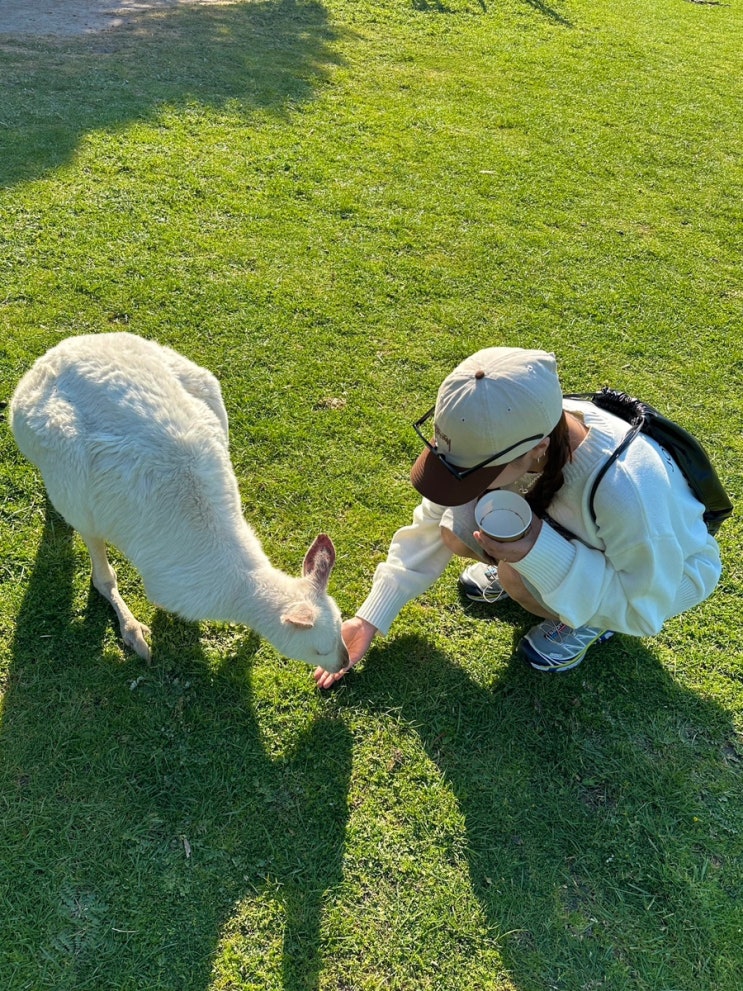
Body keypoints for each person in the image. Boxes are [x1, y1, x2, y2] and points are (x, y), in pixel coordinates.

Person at [315, 347, 722, 686]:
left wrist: (533, 553)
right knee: (456, 526)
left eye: (477, 473)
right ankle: (537, 577)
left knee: (515, 574)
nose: (464, 483)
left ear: (538, 449)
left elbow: (644, 608)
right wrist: (369, 619)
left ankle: (585, 622)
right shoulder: (513, 422)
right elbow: (431, 519)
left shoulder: (626, 489)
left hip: (661, 579)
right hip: (583, 533)